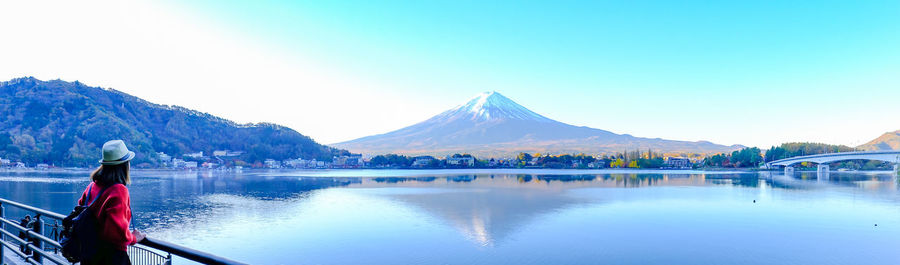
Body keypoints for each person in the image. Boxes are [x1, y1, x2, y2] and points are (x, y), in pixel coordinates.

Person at [77, 140, 145, 265]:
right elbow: (117, 233)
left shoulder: (92, 186)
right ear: (124, 165)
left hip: (89, 254)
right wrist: (135, 238)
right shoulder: (119, 190)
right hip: (111, 257)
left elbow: (79, 211)